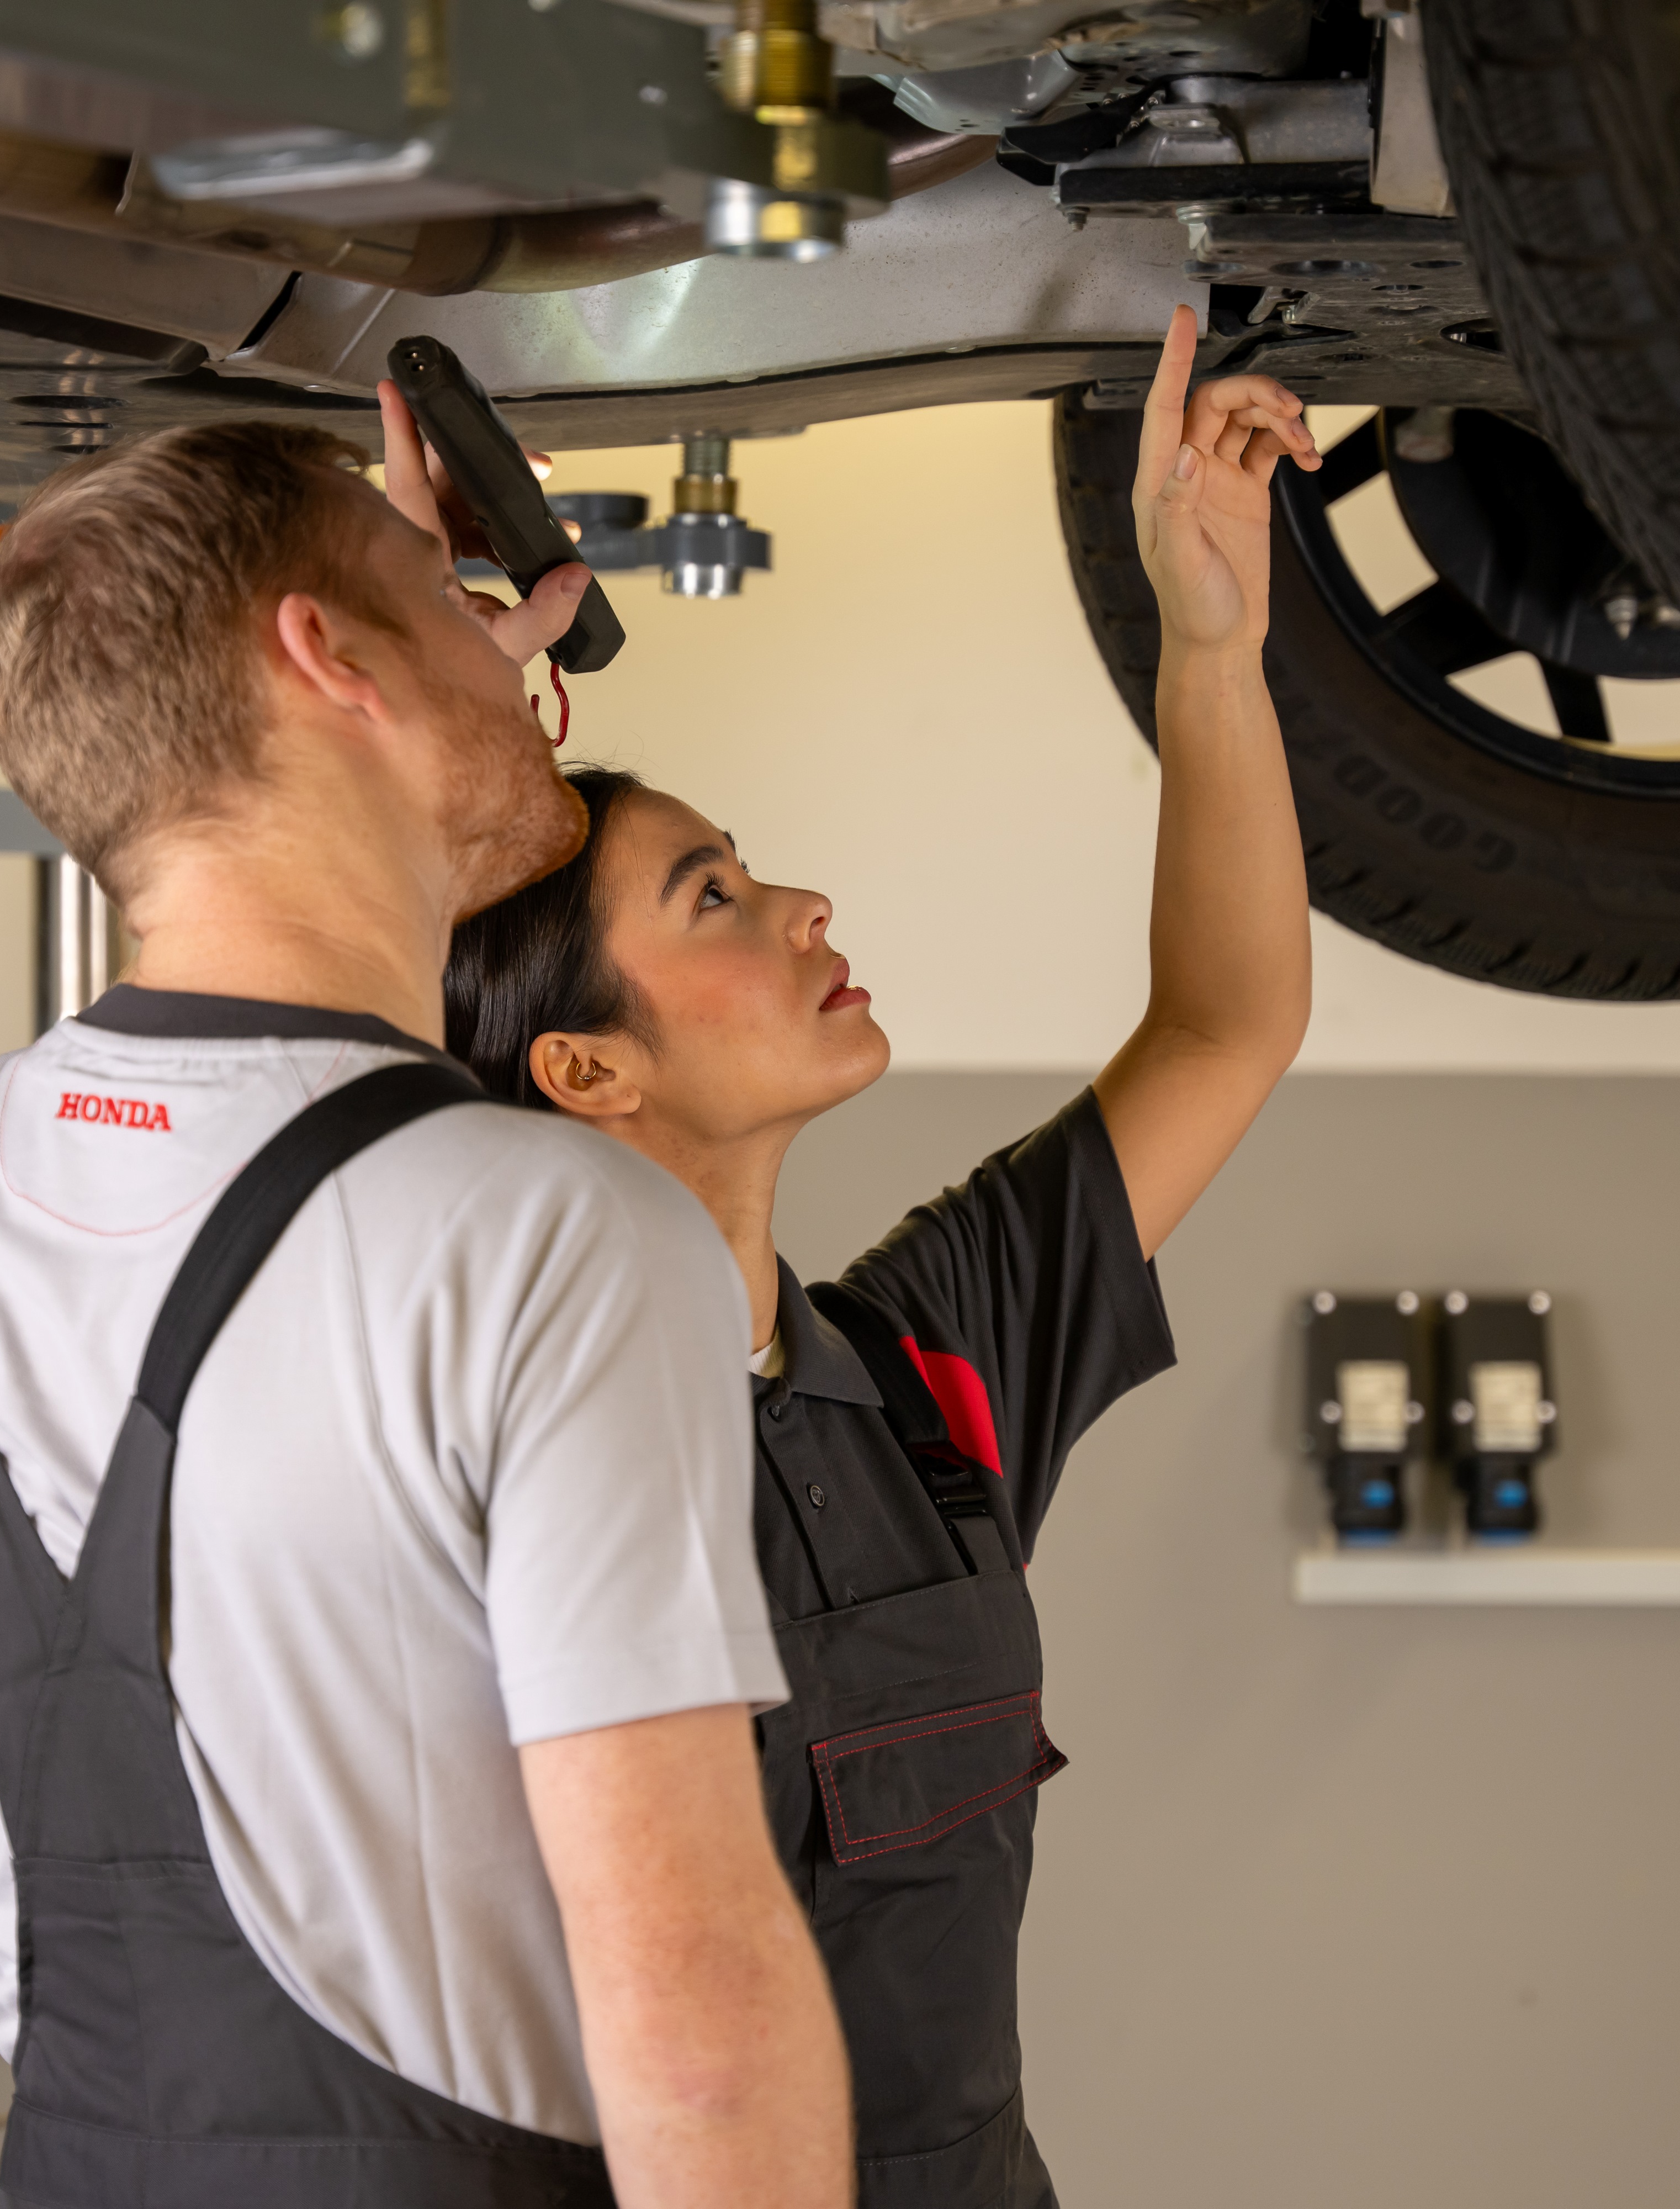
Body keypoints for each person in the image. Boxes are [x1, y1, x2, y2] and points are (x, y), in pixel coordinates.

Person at [0, 401, 852, 2207]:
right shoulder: (552, 1229)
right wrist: (429, 708)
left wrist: (427, 693)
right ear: (328, 658)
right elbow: (696, 2021)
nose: (505, 639)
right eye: (439, 590)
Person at [442, 307, 1319, 2208]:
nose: (802, 902)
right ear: (585, 1069)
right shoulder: (495, 1456)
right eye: (715, 897)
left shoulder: (920, 1371)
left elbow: (1225, 1027)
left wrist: (1210, 643)